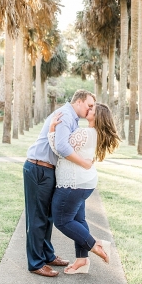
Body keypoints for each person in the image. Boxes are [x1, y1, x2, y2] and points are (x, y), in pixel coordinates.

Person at [23, 89, 96, 277]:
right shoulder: (65, 115)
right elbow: (63, 147)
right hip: (39, 168)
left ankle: (47, 255)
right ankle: (36, 263)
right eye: (89, 105)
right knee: (38, 218)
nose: (90, 110)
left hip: (48, 170)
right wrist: (84, 164)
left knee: (47, 217)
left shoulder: (72, 119)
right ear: (78, 102)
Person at [48, 102, 121, 274]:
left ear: (97, 116)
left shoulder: (85, 133)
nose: (88, 109)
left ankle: (95, 244)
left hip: (73, 184)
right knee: (78, 220)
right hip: (85, 183)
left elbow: (61, 149)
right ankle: (82, 261)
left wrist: (52, 129)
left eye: (92, 109)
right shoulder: (97, 134)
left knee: (62, 220)